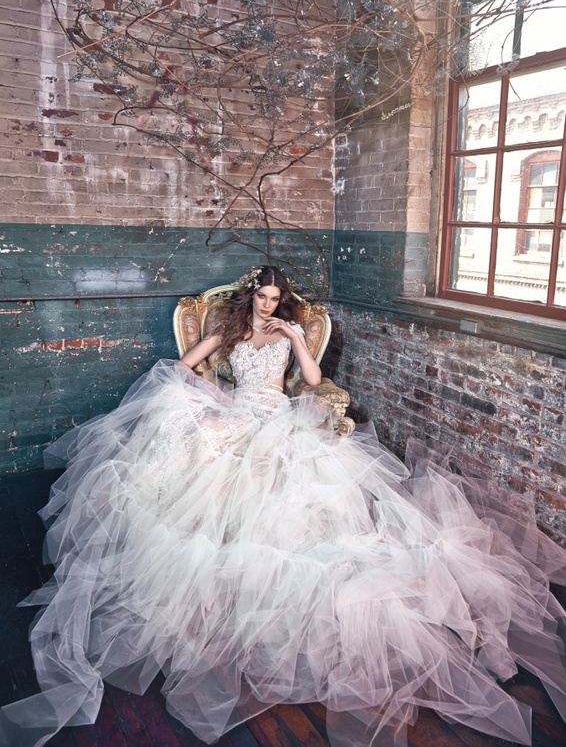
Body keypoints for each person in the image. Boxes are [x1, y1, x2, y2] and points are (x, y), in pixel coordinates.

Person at [1, 264, 566, 747]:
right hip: (236, 412)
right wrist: (213, 392)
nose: (269, 305)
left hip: (280, 416)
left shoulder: (286, 335)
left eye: (277, 299)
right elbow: (182, 366)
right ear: (250, 297)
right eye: (264, 297)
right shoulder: (228, 332)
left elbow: (314, 381)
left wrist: (296, 338)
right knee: (203, 455)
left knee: (299, 482)